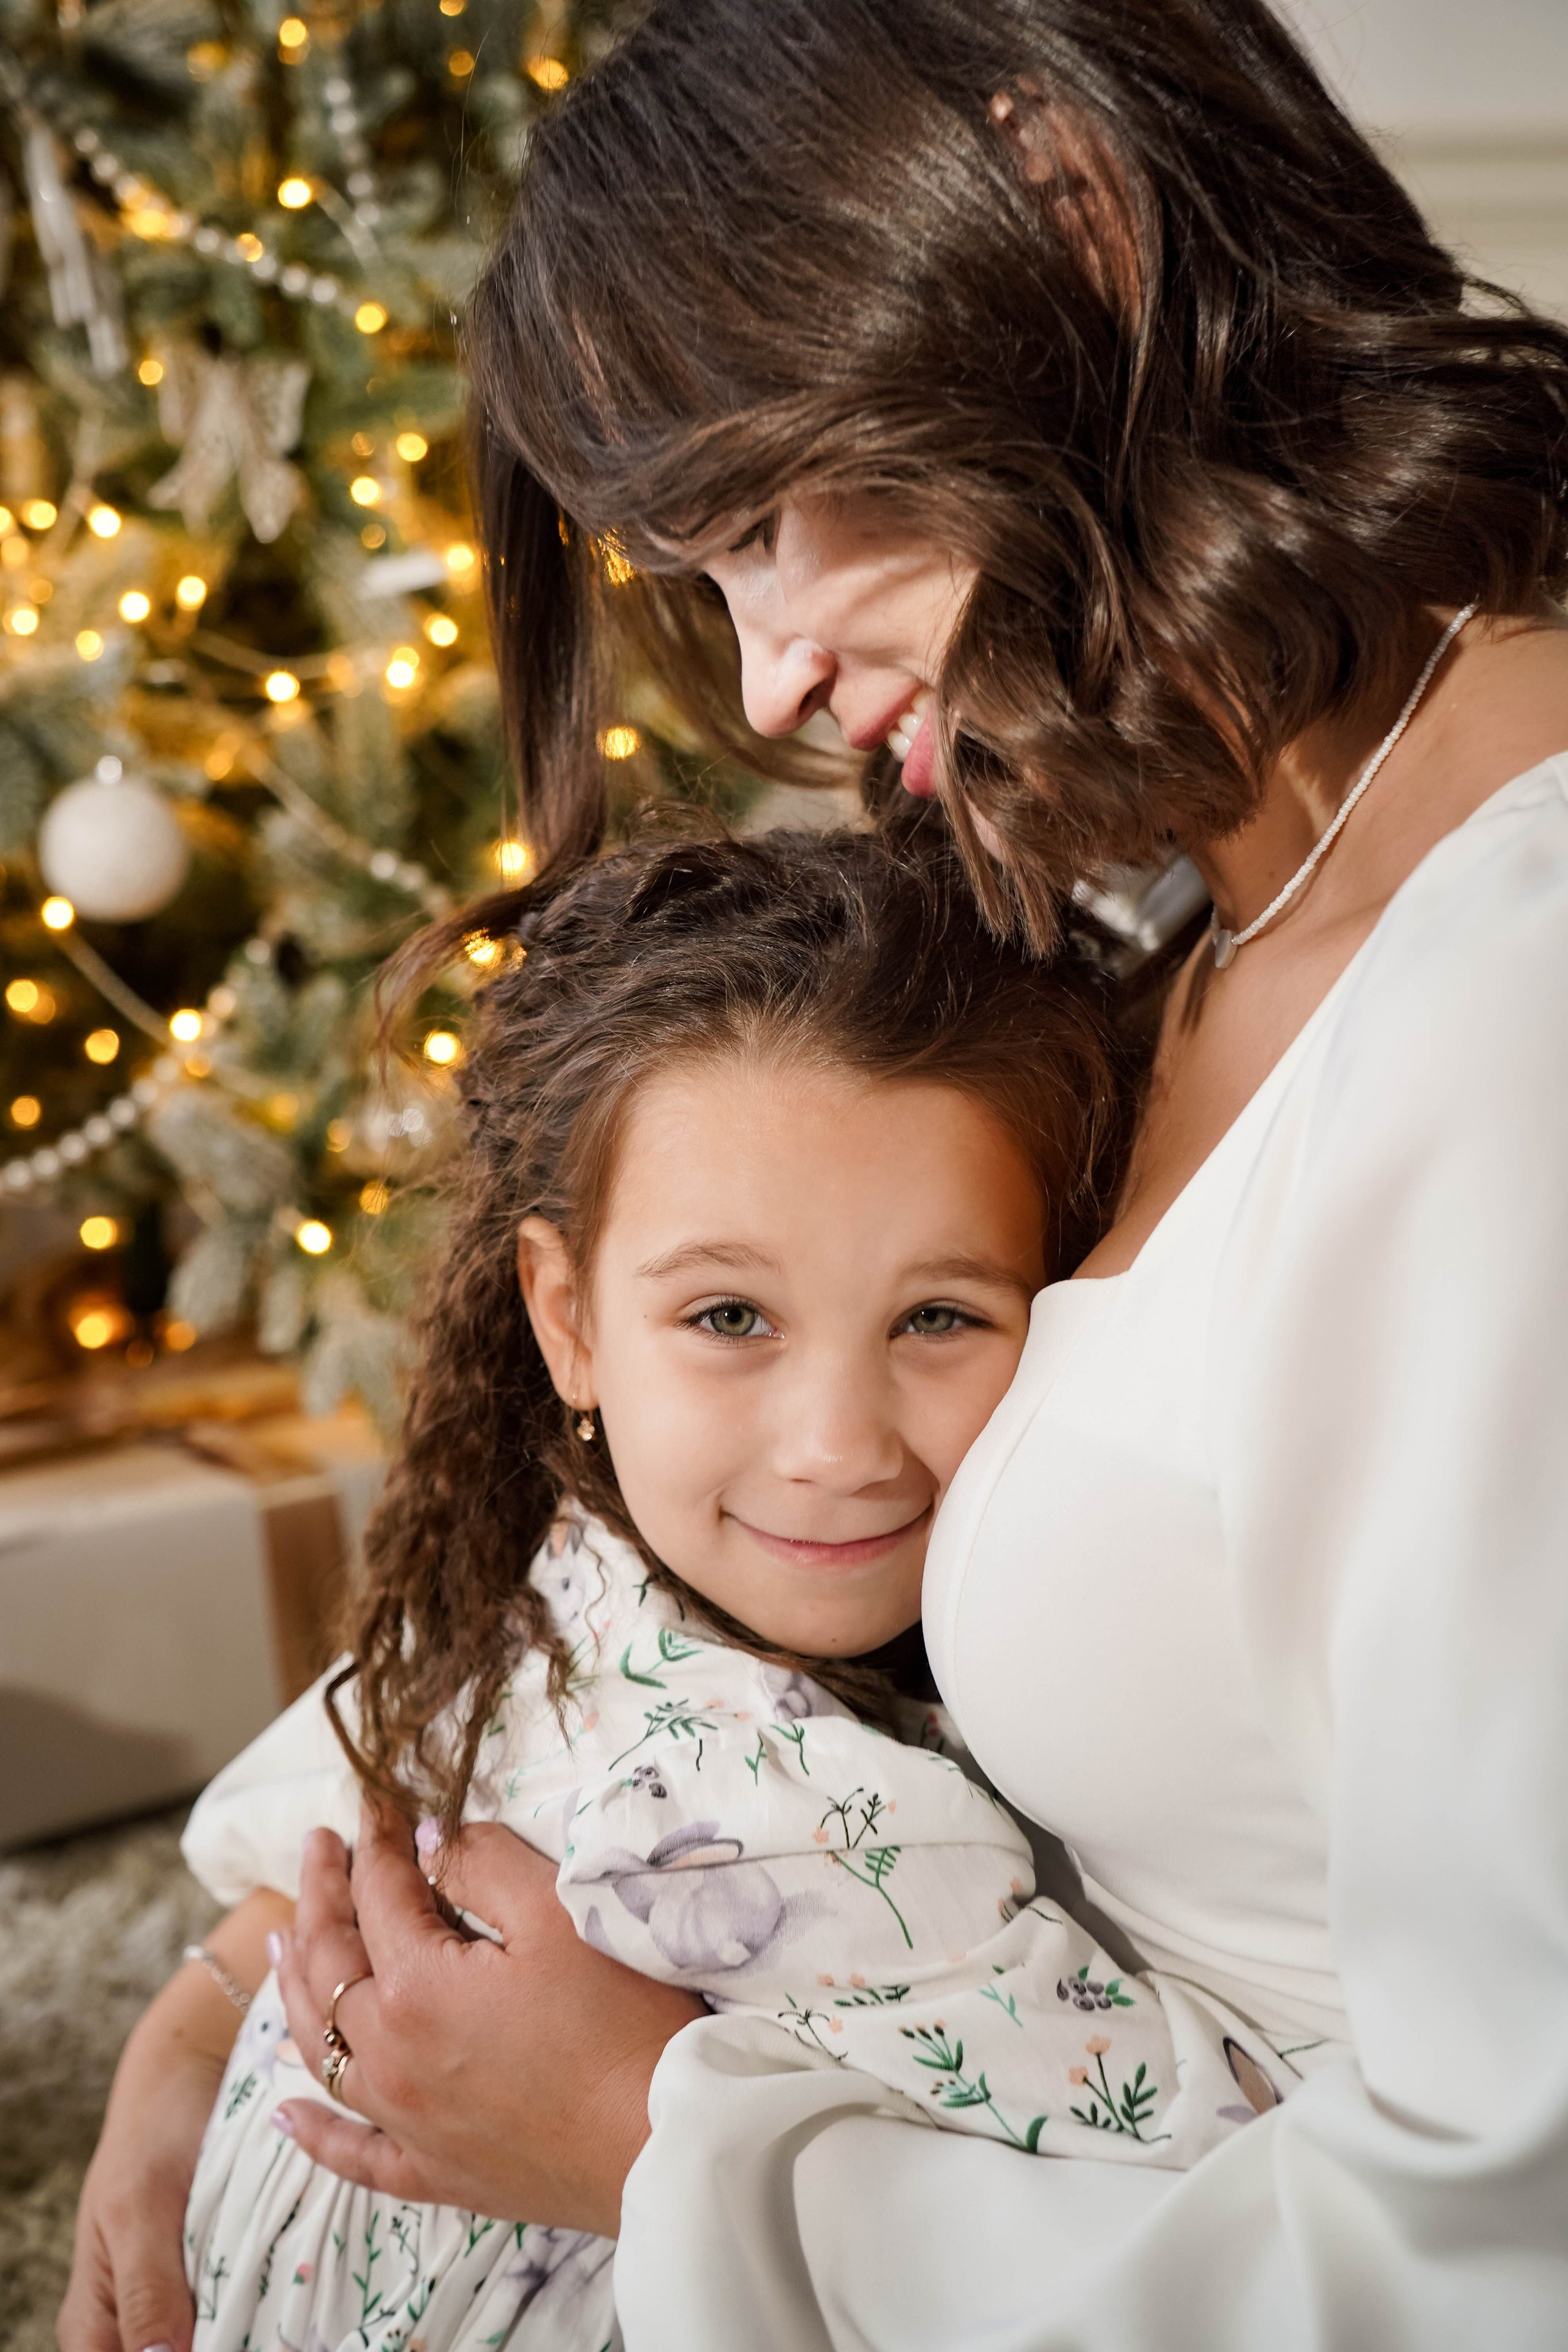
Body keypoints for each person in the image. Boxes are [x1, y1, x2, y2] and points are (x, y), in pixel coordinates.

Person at [64, 0, 1568, 2346]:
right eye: (704, 568)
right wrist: (213, 2008)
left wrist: (659, 2143)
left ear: (1069, 212)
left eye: (771, 517)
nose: (764, 681)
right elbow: (595, 1627)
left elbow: (1500, 2252)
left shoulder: (1513, 1013)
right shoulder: (1187, 916)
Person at [72, 829, 1283, 2352]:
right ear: (566, 1319)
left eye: (935, 1316)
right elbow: (1237, 2199)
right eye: (728, 1316)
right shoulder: (839, 1829)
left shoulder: (564, 1568)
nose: (836, 1446)